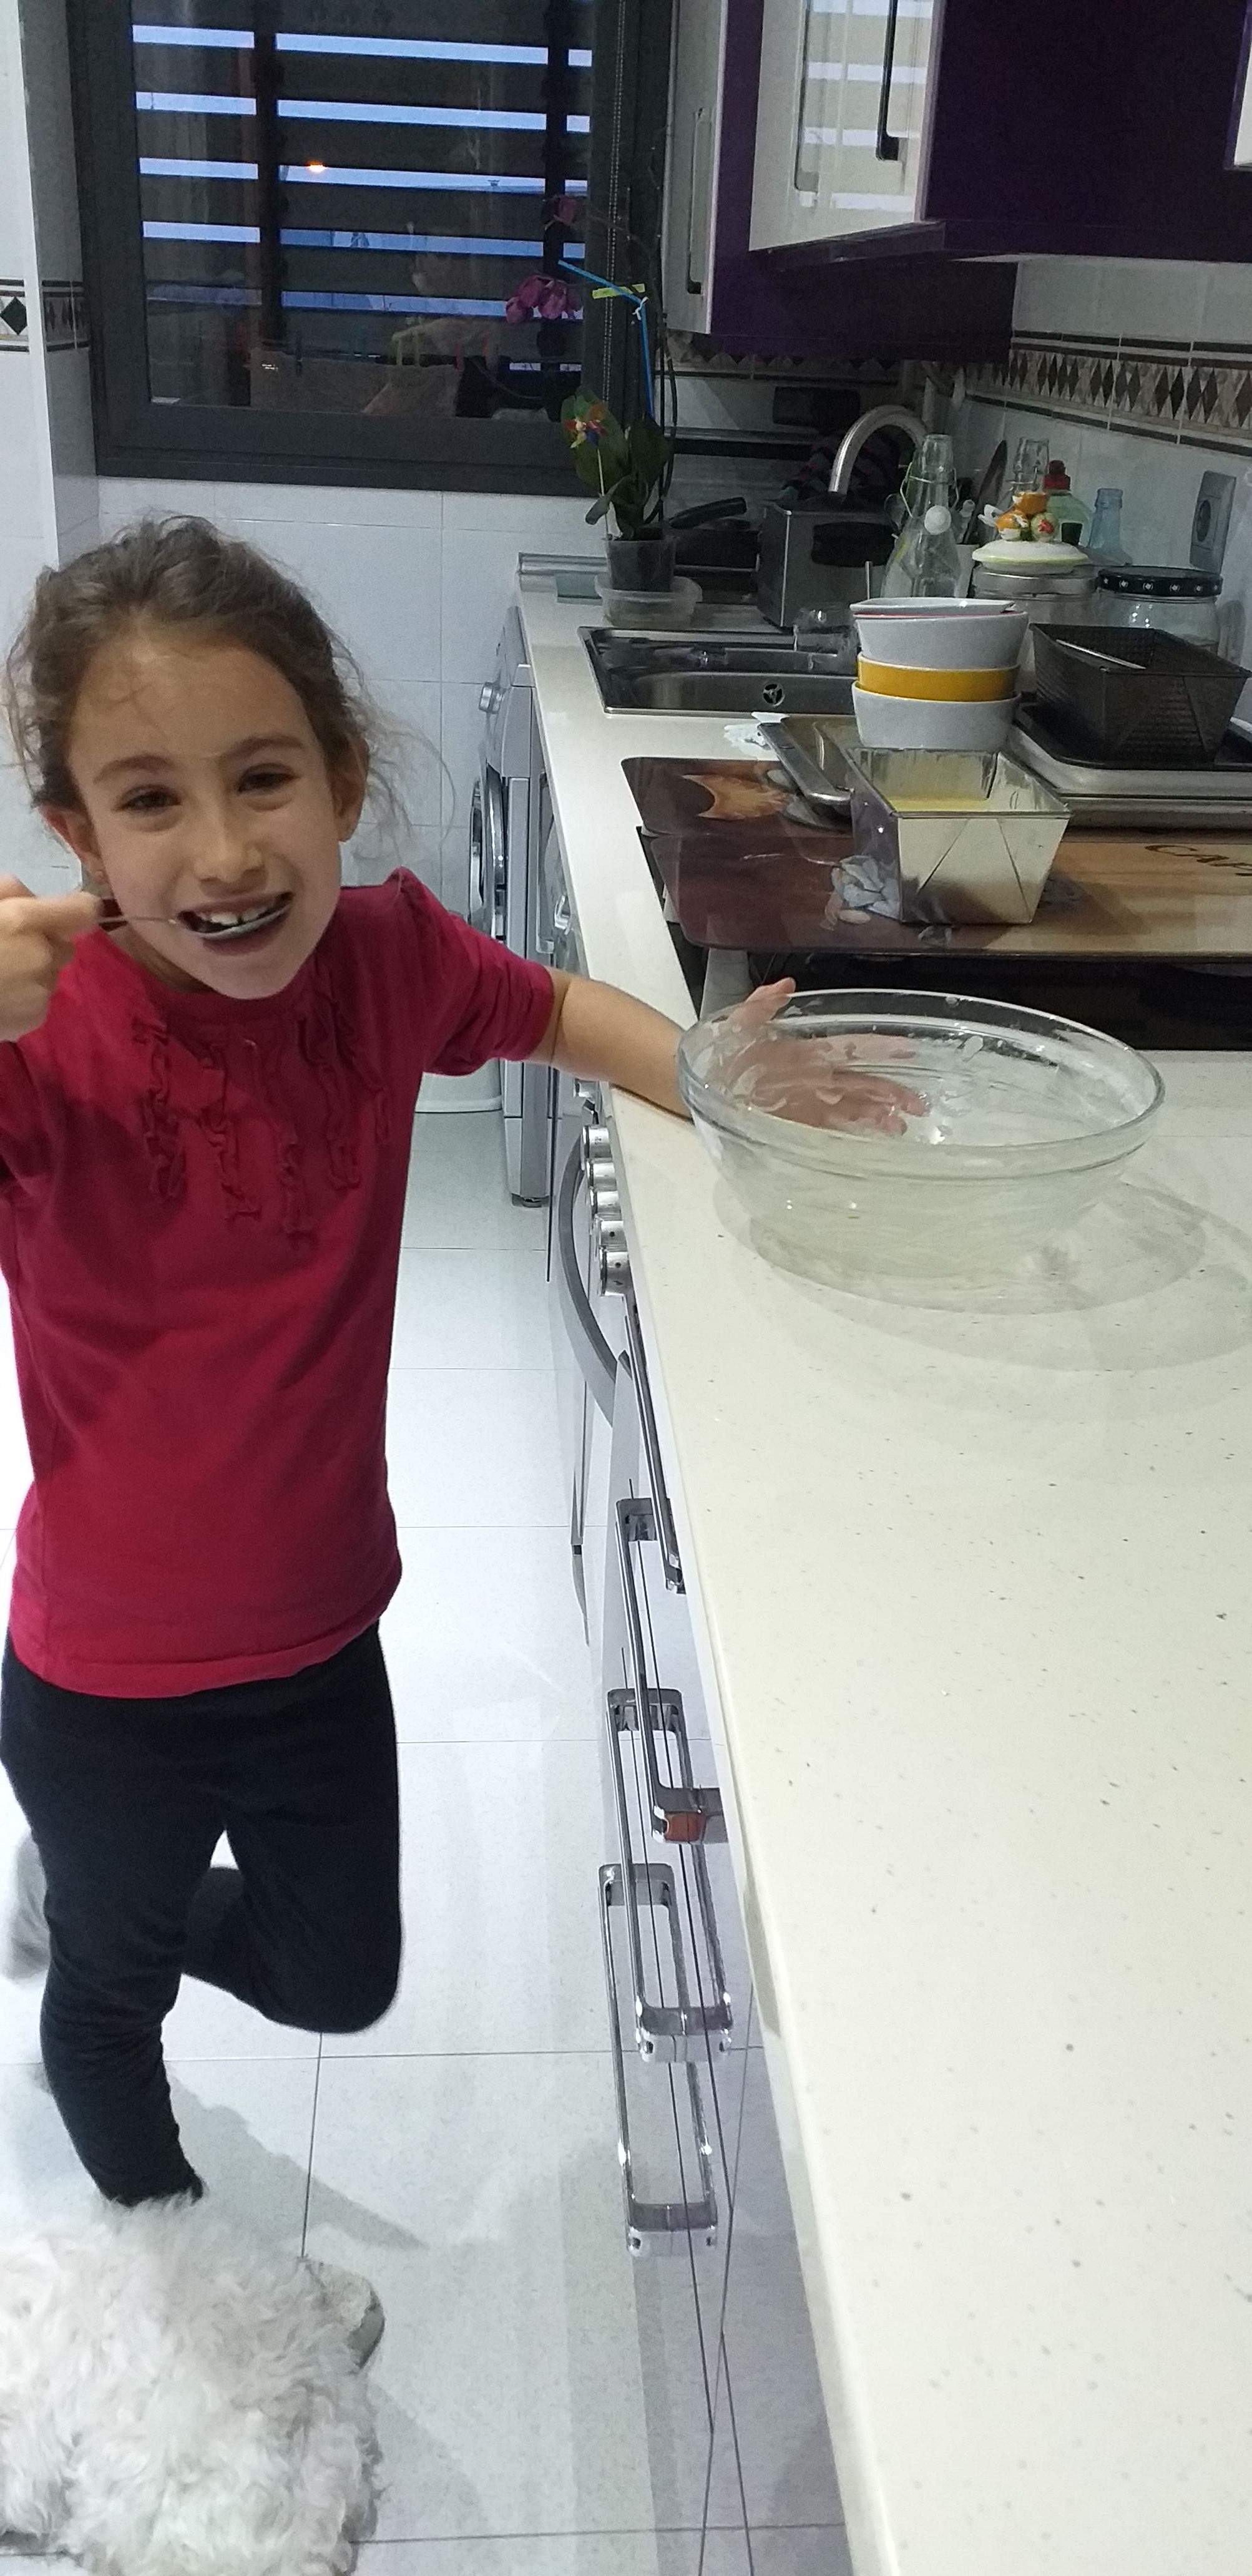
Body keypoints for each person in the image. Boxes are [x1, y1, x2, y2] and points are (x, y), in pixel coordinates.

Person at [0, 515, 702, 2361]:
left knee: (342, 1975)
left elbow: (553, 1010)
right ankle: (195, 2292)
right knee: (109, 2008)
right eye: (150, 801)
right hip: (104, 1680)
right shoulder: (41, 1045)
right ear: (77, 835)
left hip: (320, 1638)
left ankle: (89, 1899)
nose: (225, 853)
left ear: (342, 779)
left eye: (263, 780)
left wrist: (717, 1081)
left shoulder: (388, 961)